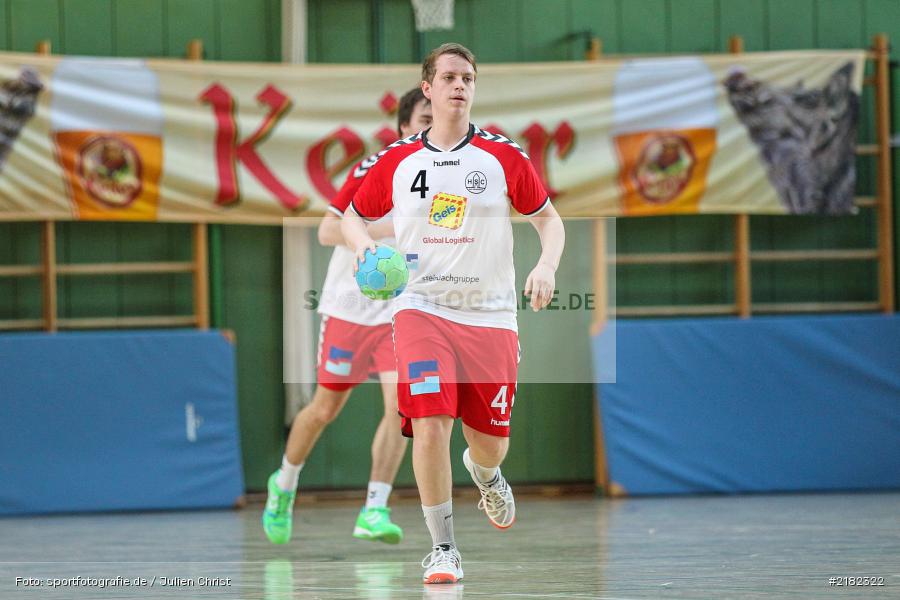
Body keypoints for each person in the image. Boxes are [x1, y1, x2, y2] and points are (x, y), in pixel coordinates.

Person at [341, 43, 565, 584]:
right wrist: (362, 250)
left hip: (489, 315)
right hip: (421, 308)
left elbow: (549, 221)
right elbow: (351, 215)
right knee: (430, 421)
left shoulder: (503, 157)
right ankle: (443, 547)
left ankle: (485, 473)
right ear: (429, 88)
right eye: (449, 77)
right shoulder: (397, 160)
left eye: (467, 78)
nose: (459, 85)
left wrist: (547, 266)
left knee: (489, 443)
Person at [262, 88, 433, 546]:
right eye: (424, 118)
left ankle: (374, 510)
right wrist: (385, 233)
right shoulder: (376, 168)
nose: (432, 125)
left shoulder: (451, 176)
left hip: (402, 312)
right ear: (403, 128)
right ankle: (284, 485)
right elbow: (326, 229)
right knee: (324, 409)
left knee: (403, 412)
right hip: (351, 308)